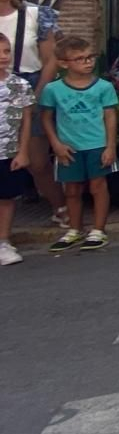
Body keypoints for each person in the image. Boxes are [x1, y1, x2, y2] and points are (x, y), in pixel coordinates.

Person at [41, 35, 119, 253]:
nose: (88, 62)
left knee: (98, 186)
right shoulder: (53, 90)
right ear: (64, 64)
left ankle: (98, 230)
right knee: (72, 190)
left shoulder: (103, 87)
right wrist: (55, 144)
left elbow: (110, 116)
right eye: (80, 59)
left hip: (96, 145)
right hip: (69, 146)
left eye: (90, 57)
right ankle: (75, 229)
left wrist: (110, 146)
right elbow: (46, 117)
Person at [0, 0, 65, 222]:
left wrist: (37, 94)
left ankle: (59, 208)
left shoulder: (36, 15)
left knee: (37, 159)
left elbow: (50, 59)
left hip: (30, 80)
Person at [0, 32, 35, 265]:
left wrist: (23, 151)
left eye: (6, 51)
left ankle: (3, 240)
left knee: (6, 197)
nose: (3, 57)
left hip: (8, 151)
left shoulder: (19, 85)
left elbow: (26, 121)